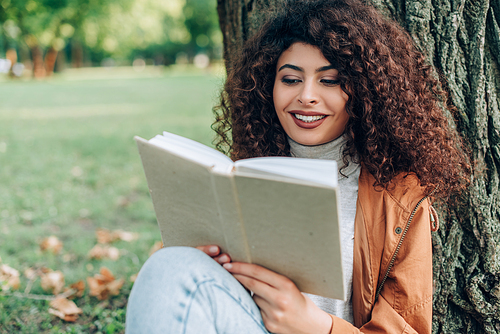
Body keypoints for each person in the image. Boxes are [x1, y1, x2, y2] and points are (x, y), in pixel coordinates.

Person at [125, 0, 470, 333]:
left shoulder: (399, 198)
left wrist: (318, 326)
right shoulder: (248, 172)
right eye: (290, 79)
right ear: (268, 86)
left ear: (365, 91)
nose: (306, 95)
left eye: (330, 80)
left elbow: (406, 330)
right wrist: (211, 269)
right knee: (170, 266)